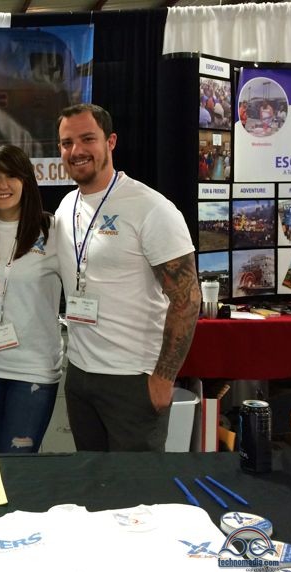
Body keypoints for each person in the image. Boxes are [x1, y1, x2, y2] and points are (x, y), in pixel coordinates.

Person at [54, 104, 201, 452]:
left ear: (111, 142)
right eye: (67, 143)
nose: (76, 151)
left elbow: (187, 298)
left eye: (87, 139)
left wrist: (163, 378)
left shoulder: (150, 207)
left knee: (137, 485)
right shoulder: (66, 206)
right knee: (93, 479)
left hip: (133, 380)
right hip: (80, 375)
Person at [0, 145, 62, 453]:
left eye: (12, 176)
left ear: (26, 181)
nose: (3, 185)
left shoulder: (52, 231)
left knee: (18, 463)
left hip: (33, 370)